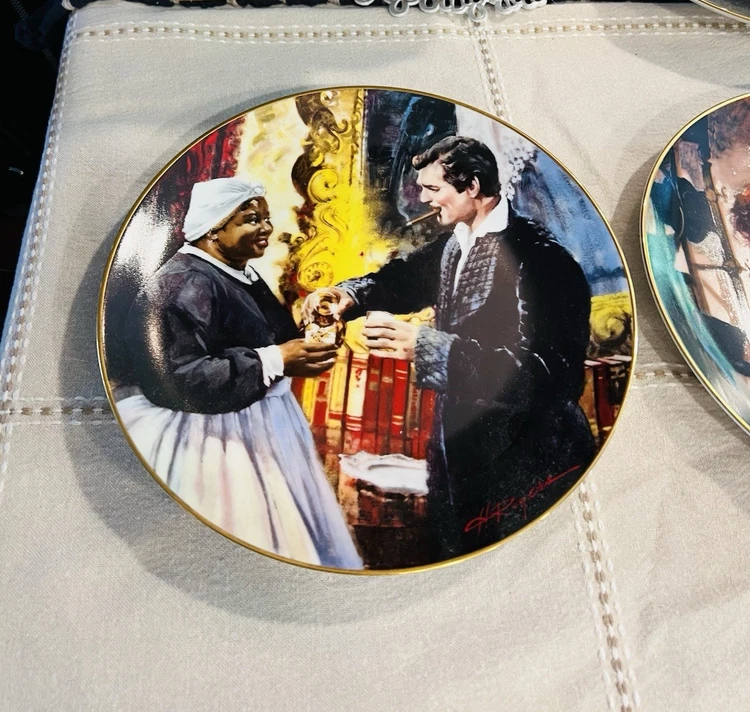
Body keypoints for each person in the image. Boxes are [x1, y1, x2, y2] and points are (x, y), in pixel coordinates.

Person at [303, 136, 595, 561]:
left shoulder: (543, 259)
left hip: (530, 458)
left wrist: (430, 349)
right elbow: (399, 281)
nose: (423, 199)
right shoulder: (455, 244)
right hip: (456, 453)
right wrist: (347, 295)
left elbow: (555, 376)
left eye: (432, 189)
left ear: (472, 187)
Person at [117, 177, 363, 570]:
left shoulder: (237, 271)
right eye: (251, 220)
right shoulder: (184, 282)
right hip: (215, 439)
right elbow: (175, 378)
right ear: (214, 228)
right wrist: (275, 360)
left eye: (266, 218)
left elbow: (261, 337)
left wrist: (309, 332)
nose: (267, 228)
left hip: (261, 424)